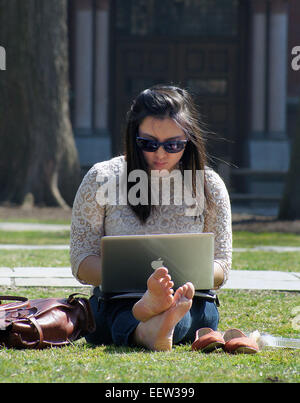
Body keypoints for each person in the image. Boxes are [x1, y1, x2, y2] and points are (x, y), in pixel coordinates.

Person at [70, 85, 232, 351]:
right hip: (119, 299)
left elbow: (222, 266)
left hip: (189, 299)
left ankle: (154, 323)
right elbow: (81, 260)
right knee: (125, 313)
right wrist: (144, 284)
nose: (160, 154)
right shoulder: (102, 178)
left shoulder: (209, 185)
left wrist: (179, 283)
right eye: (148, 143)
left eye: (173, 145)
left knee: (181, 311)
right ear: (133, 136)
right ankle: (152, 319)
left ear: (189, 140)